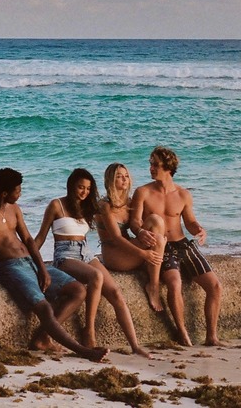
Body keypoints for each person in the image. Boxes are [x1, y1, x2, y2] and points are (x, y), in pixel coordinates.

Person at [0, 168, 109, 362]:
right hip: (10, 267)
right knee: (44, 308)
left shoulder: (14, 208)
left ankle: (41, 338)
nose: (20, 193)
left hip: (30, 261)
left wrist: (42, 269)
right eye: (18, 190)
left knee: (78, 290)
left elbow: (29, 240)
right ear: (5, 192)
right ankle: (83, 351)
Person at [34, 168, 152, 358]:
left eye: (88, 189)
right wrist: (31, 262)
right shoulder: (56, 205)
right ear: (71, 186)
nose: (84, 192)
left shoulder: (88, 207)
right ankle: (89, 333)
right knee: (95, 276)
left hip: (86, 252)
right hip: (65, 255)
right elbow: (39, 238)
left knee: (115, 292)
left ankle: (135, 345)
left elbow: (113, 211)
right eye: (81, 187)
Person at [130, 147, 225, 347]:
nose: (151, 168)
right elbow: (134, 222)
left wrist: (199, 229)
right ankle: (182, 333)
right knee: (174, 284)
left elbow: (189, 222)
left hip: (182, 243)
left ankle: (212, 337)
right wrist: (140, 232)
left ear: (168, 167)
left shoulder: (183, 194)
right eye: (150, 163)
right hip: (161, 245)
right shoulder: (143, 192)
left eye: (155, 164)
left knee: (215, 286)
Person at [95, 163, 166, 311]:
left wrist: (141, 232)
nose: (124, 179)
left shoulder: (129, 202)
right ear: (110, 180)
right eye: (119, 177)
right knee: (158, 240)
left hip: (129, 249)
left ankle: (153, 279)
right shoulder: (104, 205)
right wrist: (144, 254)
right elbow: (116, 238)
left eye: (126, 176)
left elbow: (136, 225)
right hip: (114, 255)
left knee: (155, 220)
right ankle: (153, 286)